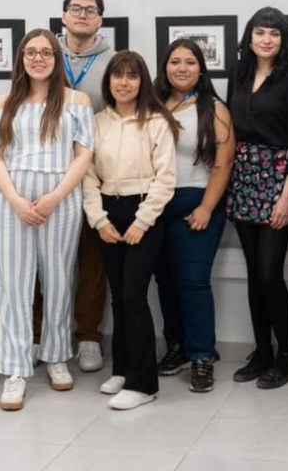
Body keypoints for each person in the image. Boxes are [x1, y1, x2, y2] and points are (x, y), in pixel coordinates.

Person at [0, 30, 95, 411]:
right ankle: (15, 370)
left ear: (56, 58)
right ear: (21, 58)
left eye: (46, 52)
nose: (38, 58)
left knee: (59, 279)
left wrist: (54, 197)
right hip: (13, 203)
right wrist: (16, 201)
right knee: (13, 285)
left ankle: (56, 356)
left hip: (60, 202)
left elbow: (83, 154)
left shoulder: (77, 101)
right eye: (30, 52)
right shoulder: (5, 103)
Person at [83, 51, 177, 411]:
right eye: (117, 75)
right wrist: (99, 220)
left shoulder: (157, 122)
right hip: (108, 212)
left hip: (145, 211)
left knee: (135, 296)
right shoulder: (96, 123)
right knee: (119, 297)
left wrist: (142, 222)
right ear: (108, 81)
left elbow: (166, 179)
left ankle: (143, 384)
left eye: (132, 76)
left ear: (142, 82)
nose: (124, 82)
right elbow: (87, 176)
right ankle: (122, 370)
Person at [32, 0, 116, 373]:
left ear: (100, 19)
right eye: (75, 9)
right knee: (40, 259)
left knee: (91, 259)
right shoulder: (43, 54)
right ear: (63, 16)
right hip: (45, 173)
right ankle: (39, 334)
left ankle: (88, 336)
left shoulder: (113, 62)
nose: (82, 14)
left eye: (90, 10)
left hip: (96, 173)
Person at [226, 7, 288, 390]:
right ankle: (261, 352)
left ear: (283, 40)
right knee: (252, 273)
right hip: (243, 176)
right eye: (260, 32)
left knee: (269, 272)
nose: (266, 40)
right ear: (250, 37)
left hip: (279, 179)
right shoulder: (238, 73)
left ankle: (285, 357)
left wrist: (287, 195)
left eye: (274, 34)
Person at [152, 39, 234, 392]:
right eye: (175, 61)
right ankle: (178, 348)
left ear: (201, 69)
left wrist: (207, 207)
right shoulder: (152, 104)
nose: (182, 68)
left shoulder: (214, 108)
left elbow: (223, 164)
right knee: (165, 281)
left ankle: (202, 355)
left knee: (193, 282)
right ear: (165, 67)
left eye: (189, 62)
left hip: (197, 202)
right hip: (156, 204)